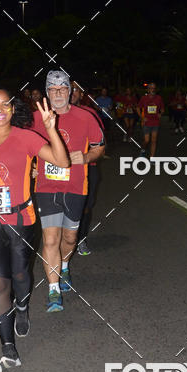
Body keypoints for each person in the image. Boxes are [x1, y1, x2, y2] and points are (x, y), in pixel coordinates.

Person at [0, 90, 69, 368]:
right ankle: (7, 346)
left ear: (11, 108)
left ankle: (22, 307)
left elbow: (62, 161)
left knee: (20, 275)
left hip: (21, 219)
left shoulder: (26, 137)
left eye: (4, 104)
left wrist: (51, 129)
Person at [32, 71, 105, 312]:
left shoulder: (86, 117)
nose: (58, 94)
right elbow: (23, 148)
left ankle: (64, 265)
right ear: (47, 93)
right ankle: (53, 290)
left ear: (70, 91)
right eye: (52, 90)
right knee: (50, 239)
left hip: (75, 186)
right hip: (46, 187)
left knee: (69, 238)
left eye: (62, 89)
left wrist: (85, 157)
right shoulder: (35, 118)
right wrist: (31, 167)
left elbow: (99, 147)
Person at [71, 82, 105, 255]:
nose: (71, 91)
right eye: (66, 87)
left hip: (87, 168)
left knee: (85, 206)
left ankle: (81, 239)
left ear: (82, 94)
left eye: (76, 88)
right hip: (59, 170)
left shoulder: (90, 114)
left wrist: (87, 156)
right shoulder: (51, 114)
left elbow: (100, 143)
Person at [138, 82, 165, 156]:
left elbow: (162, 109)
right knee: (147, 140)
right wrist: (142, 117)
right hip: (147, 122)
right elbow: (138, 108)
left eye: (154, 88)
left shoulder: (159, 98)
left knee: (154, 141)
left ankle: (152, 158)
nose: (153, 90)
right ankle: (143, 149)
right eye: (151, 88)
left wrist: (161, 113)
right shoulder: (144, 98)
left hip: (155, 122)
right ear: (148, 89)